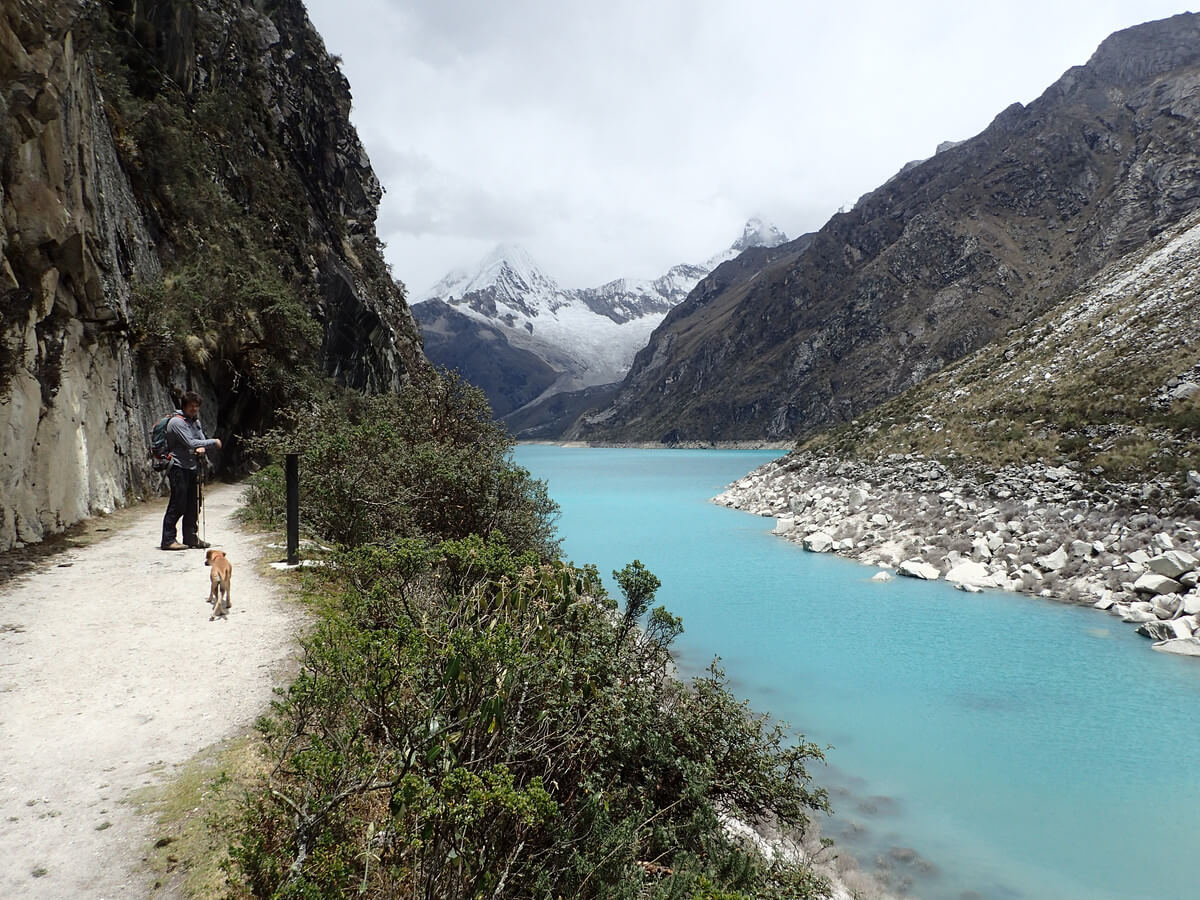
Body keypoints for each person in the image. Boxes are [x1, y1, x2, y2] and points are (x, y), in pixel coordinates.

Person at [160, 390, 222, 550]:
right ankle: (168, 540)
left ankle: (191, 538)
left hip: (192, 467)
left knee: (194, 504)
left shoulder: (195, 422)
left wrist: (203, 445)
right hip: (178, 467)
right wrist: (214, 442)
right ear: (184, 406)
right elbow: (191, 443)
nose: (194, 409)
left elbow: (200, 440)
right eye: (191, 406)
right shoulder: (177, 422)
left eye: (197, 406)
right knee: (178, 503)